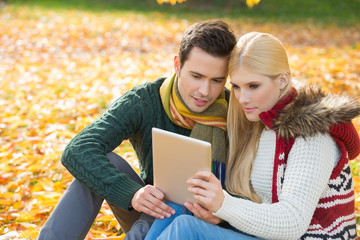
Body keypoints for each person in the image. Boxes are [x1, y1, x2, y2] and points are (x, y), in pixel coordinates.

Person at [145, 32, 360, 239]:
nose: (242, 98)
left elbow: (293, 222)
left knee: (187, 228)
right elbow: (259, 206)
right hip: (265, 235)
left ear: (283, 80)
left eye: (253, 86)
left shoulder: (312, 136)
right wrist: (217, 213)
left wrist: (223, 204)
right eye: (236, 87)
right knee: (176, 208)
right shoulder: (264, 122)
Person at [36, 19, 236, 240]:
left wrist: (223, 215)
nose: (205, 91)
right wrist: (132, 194)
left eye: (217, 80)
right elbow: (77, 150)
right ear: (177, 65)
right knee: (108, 164)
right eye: (196, 76)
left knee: (178, 200)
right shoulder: (144, 101)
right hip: (150, 213)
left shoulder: (236, 112)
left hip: (210, 225)